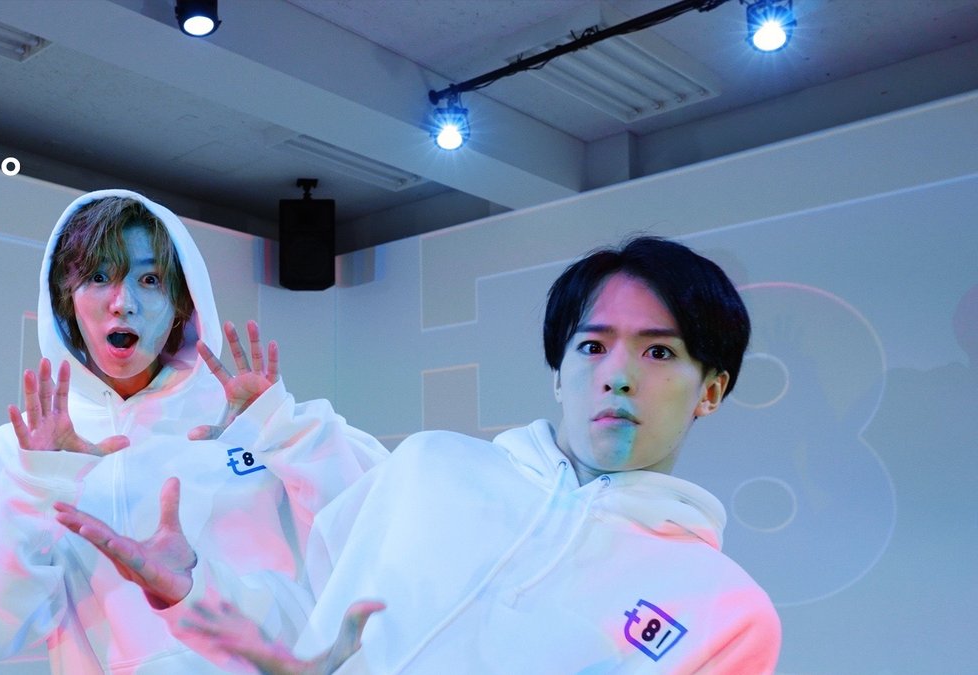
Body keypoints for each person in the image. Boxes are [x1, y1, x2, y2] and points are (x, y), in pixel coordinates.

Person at [68, 236, 782, 673]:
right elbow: (309, 624)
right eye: (592, 345)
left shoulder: (726, 611)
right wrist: (191, 590)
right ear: (559, 372)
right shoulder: (430, 467)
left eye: (659, 352)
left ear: (711, 389)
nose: (617, 375)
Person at [0, 189, 387, 673]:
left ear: (181, 303)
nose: (123, 303)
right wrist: (36, 489)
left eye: (149, 279)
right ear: (66, 300)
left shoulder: (248, 416)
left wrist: (286, 432)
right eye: (98, 277)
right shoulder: (24, 452)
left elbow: (371, 541)